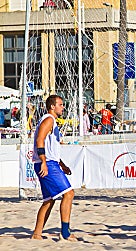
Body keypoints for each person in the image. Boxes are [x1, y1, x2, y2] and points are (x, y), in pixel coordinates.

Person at [31, 95, 76, 241]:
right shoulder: (49, 119)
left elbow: (50, 148)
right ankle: (65, 232)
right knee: (69, 194)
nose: (63, 107)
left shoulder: (51, 121)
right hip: (47, 163)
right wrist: (44, 161)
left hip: (49, 162)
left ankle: (37, 234)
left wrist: (61, 164)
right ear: (52, 106)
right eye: (60, 104)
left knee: (49, 200)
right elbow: (40, 140)